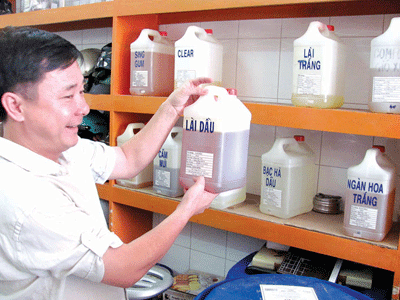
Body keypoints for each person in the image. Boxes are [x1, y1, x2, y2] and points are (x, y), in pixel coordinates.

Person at [0, 26, 218, 299]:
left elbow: (127, 159)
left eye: (81, 91)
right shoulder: (24, 197)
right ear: (16, 106)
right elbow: (124, 268)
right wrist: (185, 211)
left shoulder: (63, 148)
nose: (84, 108)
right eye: (68, 96)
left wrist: (172, 108)